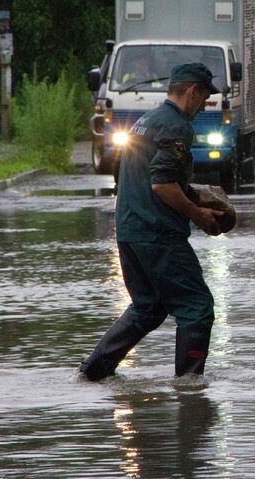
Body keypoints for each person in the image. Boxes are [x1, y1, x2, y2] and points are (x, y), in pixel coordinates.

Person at [78, 63, 227, 381]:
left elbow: (135, 176)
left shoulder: (145, 121)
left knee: (149, 307)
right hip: (157, 234)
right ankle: (189, 387)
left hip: (129, 231)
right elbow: (162, 185)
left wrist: (197, 196)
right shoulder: (177, 126)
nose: (205, 105)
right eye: (205, 97)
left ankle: (93, 372)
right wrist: (197, 214)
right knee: (197, 307)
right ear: (192, 91)